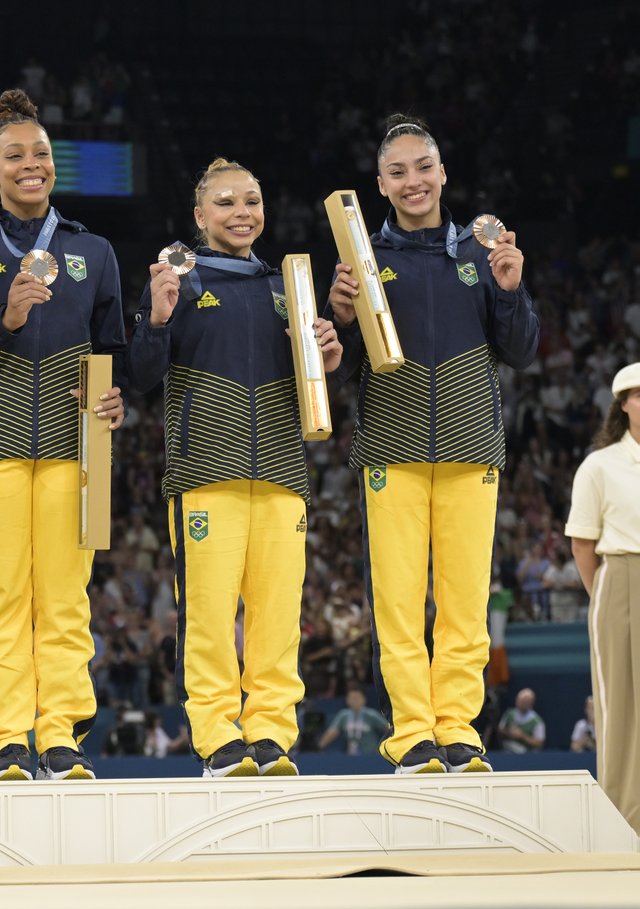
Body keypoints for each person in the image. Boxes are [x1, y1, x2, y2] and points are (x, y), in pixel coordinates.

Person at [326, 114, 539, 774]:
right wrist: (335, 316)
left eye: (424, 167)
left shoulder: (480, 251)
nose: (414, 180)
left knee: (465, 602)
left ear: (443, 173)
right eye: (399, 171)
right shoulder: (364, 264)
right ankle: (413, 732)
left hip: (472, 446)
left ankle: (460, 729)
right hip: (392, 448)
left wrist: (510, 289)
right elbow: (340, 362)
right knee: (396, 600)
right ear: (381, 185)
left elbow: (522, 350)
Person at [0, 89, 126, 781]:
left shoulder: (93, 250)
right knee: (7, 591)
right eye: (15, 155)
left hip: (79, 442)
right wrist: (4, 319)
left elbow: (113, 350)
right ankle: (10, 736)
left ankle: (62, 731)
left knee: (67, 594)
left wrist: (114, 396)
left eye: (40, 154)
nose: (29, 165)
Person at [130, 158, 341, 777]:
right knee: (210, 616)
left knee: (278, 613)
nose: (241, 212)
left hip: (282, 471)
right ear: (200, 216)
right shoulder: (180, 281)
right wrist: (158, 317)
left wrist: (326, 357)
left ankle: (273, 732)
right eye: (225, 202)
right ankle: (218, 734)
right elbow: (142, 377)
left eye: (251, 199)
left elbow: (313, 387)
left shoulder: (289, 288)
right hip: (205, 474)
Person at [566, 361, 640, 831]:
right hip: (622, 577)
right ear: (624, 406)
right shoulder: (600, 465)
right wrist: (605, 598)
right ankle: (625, 821)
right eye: (637, 394)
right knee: (620, 704)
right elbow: (581, 543)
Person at [317, 688, 390, 755]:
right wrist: (319, 747)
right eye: (352, 698)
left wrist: (385, 748)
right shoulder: (343, 715)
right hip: (351, 755)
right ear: (347, 700)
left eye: (357, 698)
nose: (355, 701)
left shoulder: (371, 714)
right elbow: (332, 732)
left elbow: (388, 728)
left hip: (370, 754)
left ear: (364, 700)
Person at [498, 688, 545, 753]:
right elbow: (500, 730)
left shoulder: (537, 721)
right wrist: (509, 733)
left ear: (530, 703)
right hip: (507, 751)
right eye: (519, 700)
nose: (520, 703)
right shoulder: (509, 713)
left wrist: (522, 736)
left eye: (524, 701)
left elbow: (539, 743)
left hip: (526, 755)